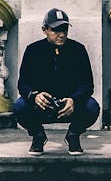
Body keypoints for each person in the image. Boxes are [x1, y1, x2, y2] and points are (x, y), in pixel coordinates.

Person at [13, 8, 100, 155]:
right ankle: (38, 136)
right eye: (56, 30)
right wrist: (34, 96)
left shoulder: (78, 50)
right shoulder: (33, 50)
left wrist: (74, 99)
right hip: (42, 106)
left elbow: (87, 84)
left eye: (65, 29)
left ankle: (73, 136)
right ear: (44, 30)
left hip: (69, 106)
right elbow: (23, 83)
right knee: (19, 106)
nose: (62, 34)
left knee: (92, 107)